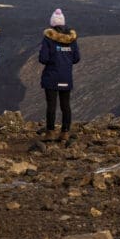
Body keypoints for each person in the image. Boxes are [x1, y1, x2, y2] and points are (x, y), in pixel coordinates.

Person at [38, 8, 80, 142]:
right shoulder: (71, 39)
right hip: (66, 76)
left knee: (51, 105)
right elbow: (76, 58)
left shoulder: (48, 38)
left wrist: (53, 59)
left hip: (51, 76)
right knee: (65, 105)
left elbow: (43, 58)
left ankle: (50, 132)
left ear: (52, 23)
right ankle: (65, 132)